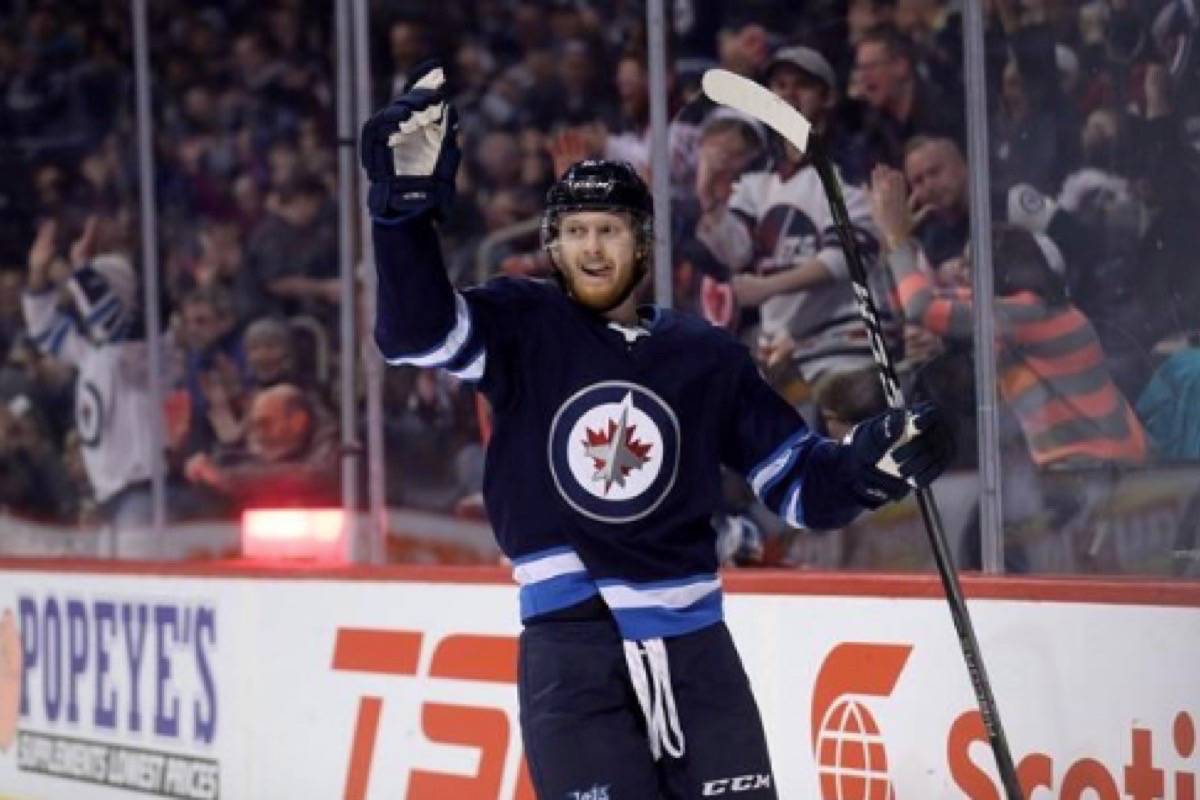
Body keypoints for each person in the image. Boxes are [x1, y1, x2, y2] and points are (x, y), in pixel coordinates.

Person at [361, 63, 953, 800]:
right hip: (572, 661)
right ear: (553, 244)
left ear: (643, 243)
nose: (592, 248)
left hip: (697, 655)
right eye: (574, 232)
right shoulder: (522, 325)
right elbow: (413, 332)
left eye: (609, 230)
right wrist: (401, 219)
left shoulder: (704, 354)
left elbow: (801, 487)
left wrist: (871, 464)